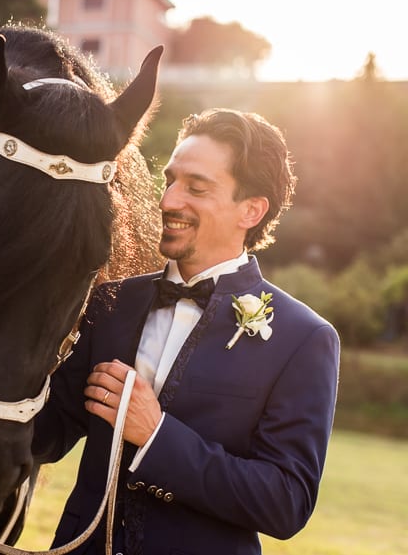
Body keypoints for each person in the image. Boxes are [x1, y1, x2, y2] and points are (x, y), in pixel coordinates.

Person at [33, 108, 340, 554]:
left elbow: (285, 502)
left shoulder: (304, 339)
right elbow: (46, 431)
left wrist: (157, 435)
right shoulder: (109, 302)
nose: (168, 200)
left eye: (195, 187)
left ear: (251, 210)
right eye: (170, 180)